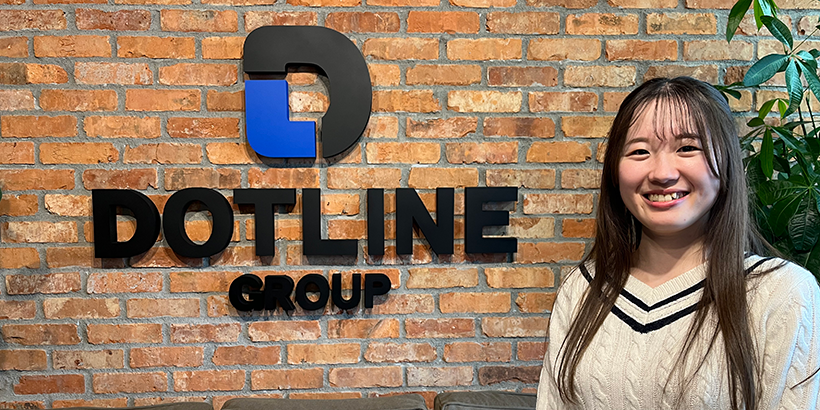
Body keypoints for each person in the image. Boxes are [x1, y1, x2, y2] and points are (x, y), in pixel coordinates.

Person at [536, 77, 820, 410]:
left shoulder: (782, 292)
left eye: (687, 148)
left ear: (726, 161)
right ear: (614, 171)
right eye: (639, 151)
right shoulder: (582, 289)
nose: (662, 173)